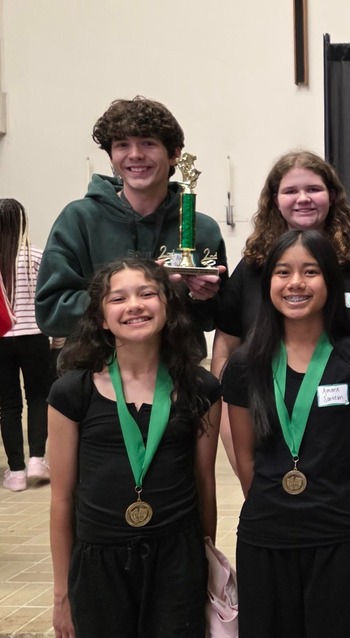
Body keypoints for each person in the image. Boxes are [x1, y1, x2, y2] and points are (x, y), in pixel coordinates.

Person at [223, 230, 350, 637]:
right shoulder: (246, 365)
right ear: (268, 284)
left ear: (330, 281)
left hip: (345, 535)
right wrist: (279, 507)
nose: (296, 283)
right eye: (283, 272)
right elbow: (245, 459)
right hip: (267, 538)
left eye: (310, 271)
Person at [47, 259, 221, 638]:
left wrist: (205, 567)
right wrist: (62, 594)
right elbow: (62, 499)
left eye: (147, 294)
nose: (134, 305)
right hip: (99, 562)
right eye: (118, 298)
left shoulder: (200, 388)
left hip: (177, 558)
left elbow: (204, 483)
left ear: (168, 307)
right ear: (100, 318)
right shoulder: (72, 392)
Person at [213, 150, 350, 470]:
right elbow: (226, 346)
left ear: (332, 196)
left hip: (341, 421)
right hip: (267, 418)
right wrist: (228, 423)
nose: (303, 199)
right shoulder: (253, 266)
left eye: (314, 189)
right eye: (291, 191)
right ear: (274, 200)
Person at [36, 96, 227, 353]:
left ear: (174, 154)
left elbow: (213, 320)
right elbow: (51, 313)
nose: (135, 155)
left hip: (177, 380)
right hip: (94, 378)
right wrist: (142, 289)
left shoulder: (201, 229)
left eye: (148, 143)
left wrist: (201, 297)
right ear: (112, 156)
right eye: (122, 145)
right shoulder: (79, 220)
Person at [1, 199, 53, 491]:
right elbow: (44, 299)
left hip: (1, 339)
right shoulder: (35, 256)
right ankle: (37, 458)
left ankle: (16, 471)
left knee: (7, 405)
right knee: (37, 397)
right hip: (34, 336)